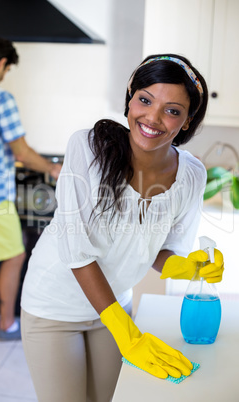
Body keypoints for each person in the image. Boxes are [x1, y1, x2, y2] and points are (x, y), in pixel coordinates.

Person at [20, 54, 224, 402]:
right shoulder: (87, 148)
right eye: (145, 100)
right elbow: (76, 249)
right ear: (130, 97)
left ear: (187, 121)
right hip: (53, 306)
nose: (153, 118)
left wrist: (183, 265)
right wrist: (126, 333)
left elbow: (164, 247)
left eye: (172, 110)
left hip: (115, 305)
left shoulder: (192, 174)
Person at [0, 36, 62, 342]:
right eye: (6, 69)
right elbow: (21, 152)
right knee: (14, 257)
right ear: (1, 64)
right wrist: (51, 167)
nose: (4, 75)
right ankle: (8, 324)